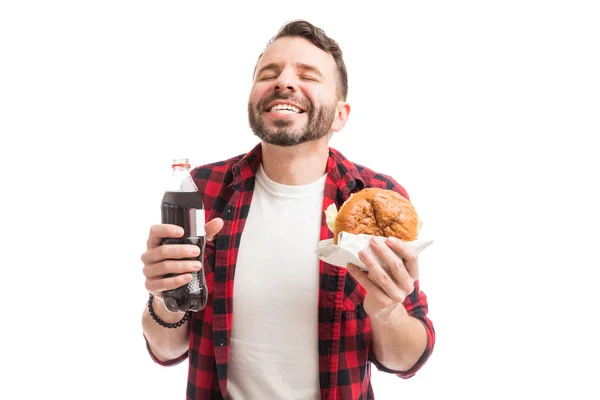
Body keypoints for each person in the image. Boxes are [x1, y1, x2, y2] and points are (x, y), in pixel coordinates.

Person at [141, 19, 436, 400]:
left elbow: (407, 360)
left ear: (340, 115)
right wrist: (166, 295)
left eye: (308, 75)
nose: (284, 82)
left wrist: (386, 310)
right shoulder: (201, 190)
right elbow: (166, 349)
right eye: (269, 73)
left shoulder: (378, 199)